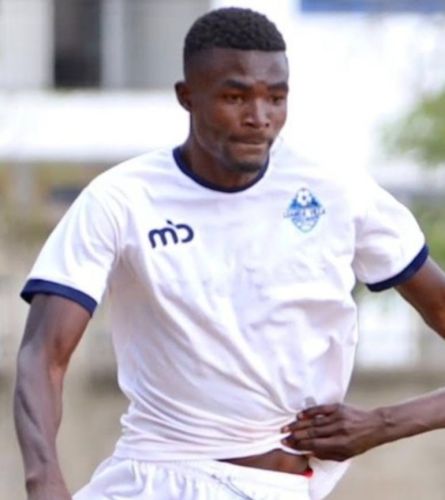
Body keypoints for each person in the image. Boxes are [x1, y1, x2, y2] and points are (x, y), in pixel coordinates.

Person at [13, 6, 445, 500]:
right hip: (148, 478)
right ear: (187, 96)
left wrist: (382, 424)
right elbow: (43, 355)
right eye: (235, 97)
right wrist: (44, 482)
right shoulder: (122, 199)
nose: (259, 118)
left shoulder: (338, 193)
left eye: (275, 98)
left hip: (271, 485)